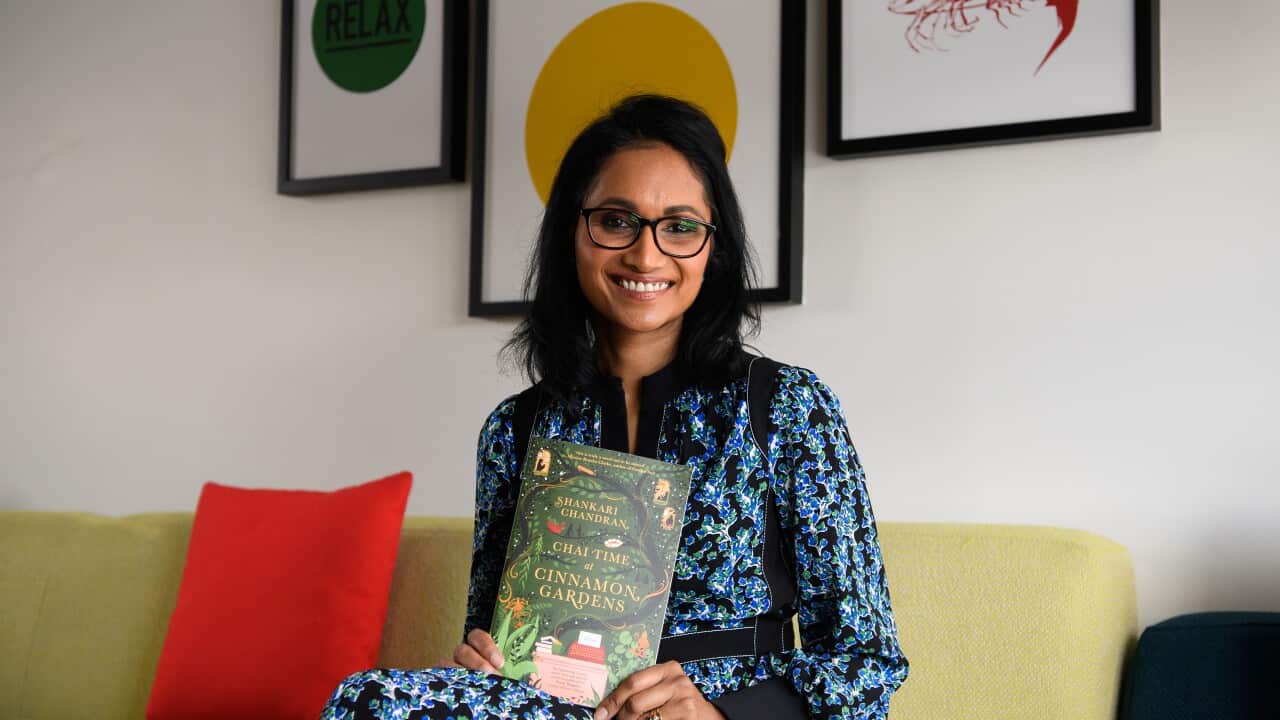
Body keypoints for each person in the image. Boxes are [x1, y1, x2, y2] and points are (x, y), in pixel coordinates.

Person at [322, 95, 908, 720]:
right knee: (369, 700)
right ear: (572, 233)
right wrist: (485, 662)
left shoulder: (783, 407)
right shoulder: (515, 430)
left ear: (714, 247)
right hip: (556, 709)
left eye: (679, 226)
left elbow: (867, 661)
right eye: (615, 220)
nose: (645, 255)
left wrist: (721, 716)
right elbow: (493, 637)